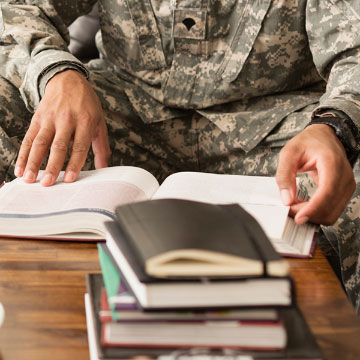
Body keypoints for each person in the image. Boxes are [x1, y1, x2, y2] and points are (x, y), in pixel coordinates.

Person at [0, 1, 360, 310]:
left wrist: (336, 126)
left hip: (275, 128)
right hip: (121, 115)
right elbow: (19, 8)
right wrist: (57, 74)